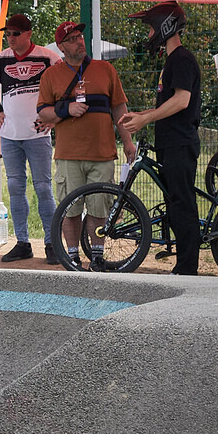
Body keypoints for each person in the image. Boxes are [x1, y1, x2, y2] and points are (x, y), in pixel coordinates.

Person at [37, 20, 136, 272]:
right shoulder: (51, 75)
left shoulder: (105, 69)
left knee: (99, 207)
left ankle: (98, 256)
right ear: (61, 47)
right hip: (68, 155)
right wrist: (67, 108)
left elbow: (119, 109)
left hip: (102, 153)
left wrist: (127, 141)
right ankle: (72, 255)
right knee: (70, 209)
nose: (79, 41)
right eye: (72, 39)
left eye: (80, 36)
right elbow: (43, 114)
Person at [121, 2, 202, 275]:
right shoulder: (172, 60)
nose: (149, 34)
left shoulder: (180, 58)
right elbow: (168, 105)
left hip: (180, 143)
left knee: (182, 203)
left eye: (152, 28)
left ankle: (188, 268)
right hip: (171, 143)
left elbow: (181, 100)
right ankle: (183, 263)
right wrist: (141, 114)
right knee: (175, 203)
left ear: (165, 26)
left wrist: (146, 118)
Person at [0, 13, 61, 264]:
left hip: (38, 136)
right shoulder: (1, 58)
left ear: (29, 34)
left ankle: (52, 243)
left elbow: (67, 84)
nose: (11, 38)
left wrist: (54, 117)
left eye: (16, 33)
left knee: (43, 188)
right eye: (8, 34)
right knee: (15, 188)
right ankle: (23, 242)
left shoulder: (48, 57)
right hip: (10, 135)